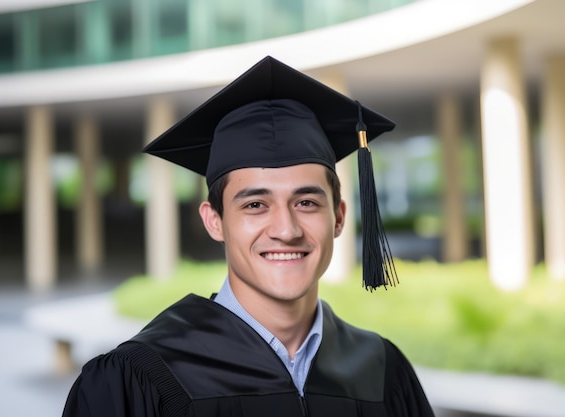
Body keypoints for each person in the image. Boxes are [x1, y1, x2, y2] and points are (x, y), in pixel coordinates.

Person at [62, 56, 435, 417]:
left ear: (338, 217)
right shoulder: (141, 377)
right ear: (215, 222)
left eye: (306, 202)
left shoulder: (382, 371)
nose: (286, 230)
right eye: (255, 205)